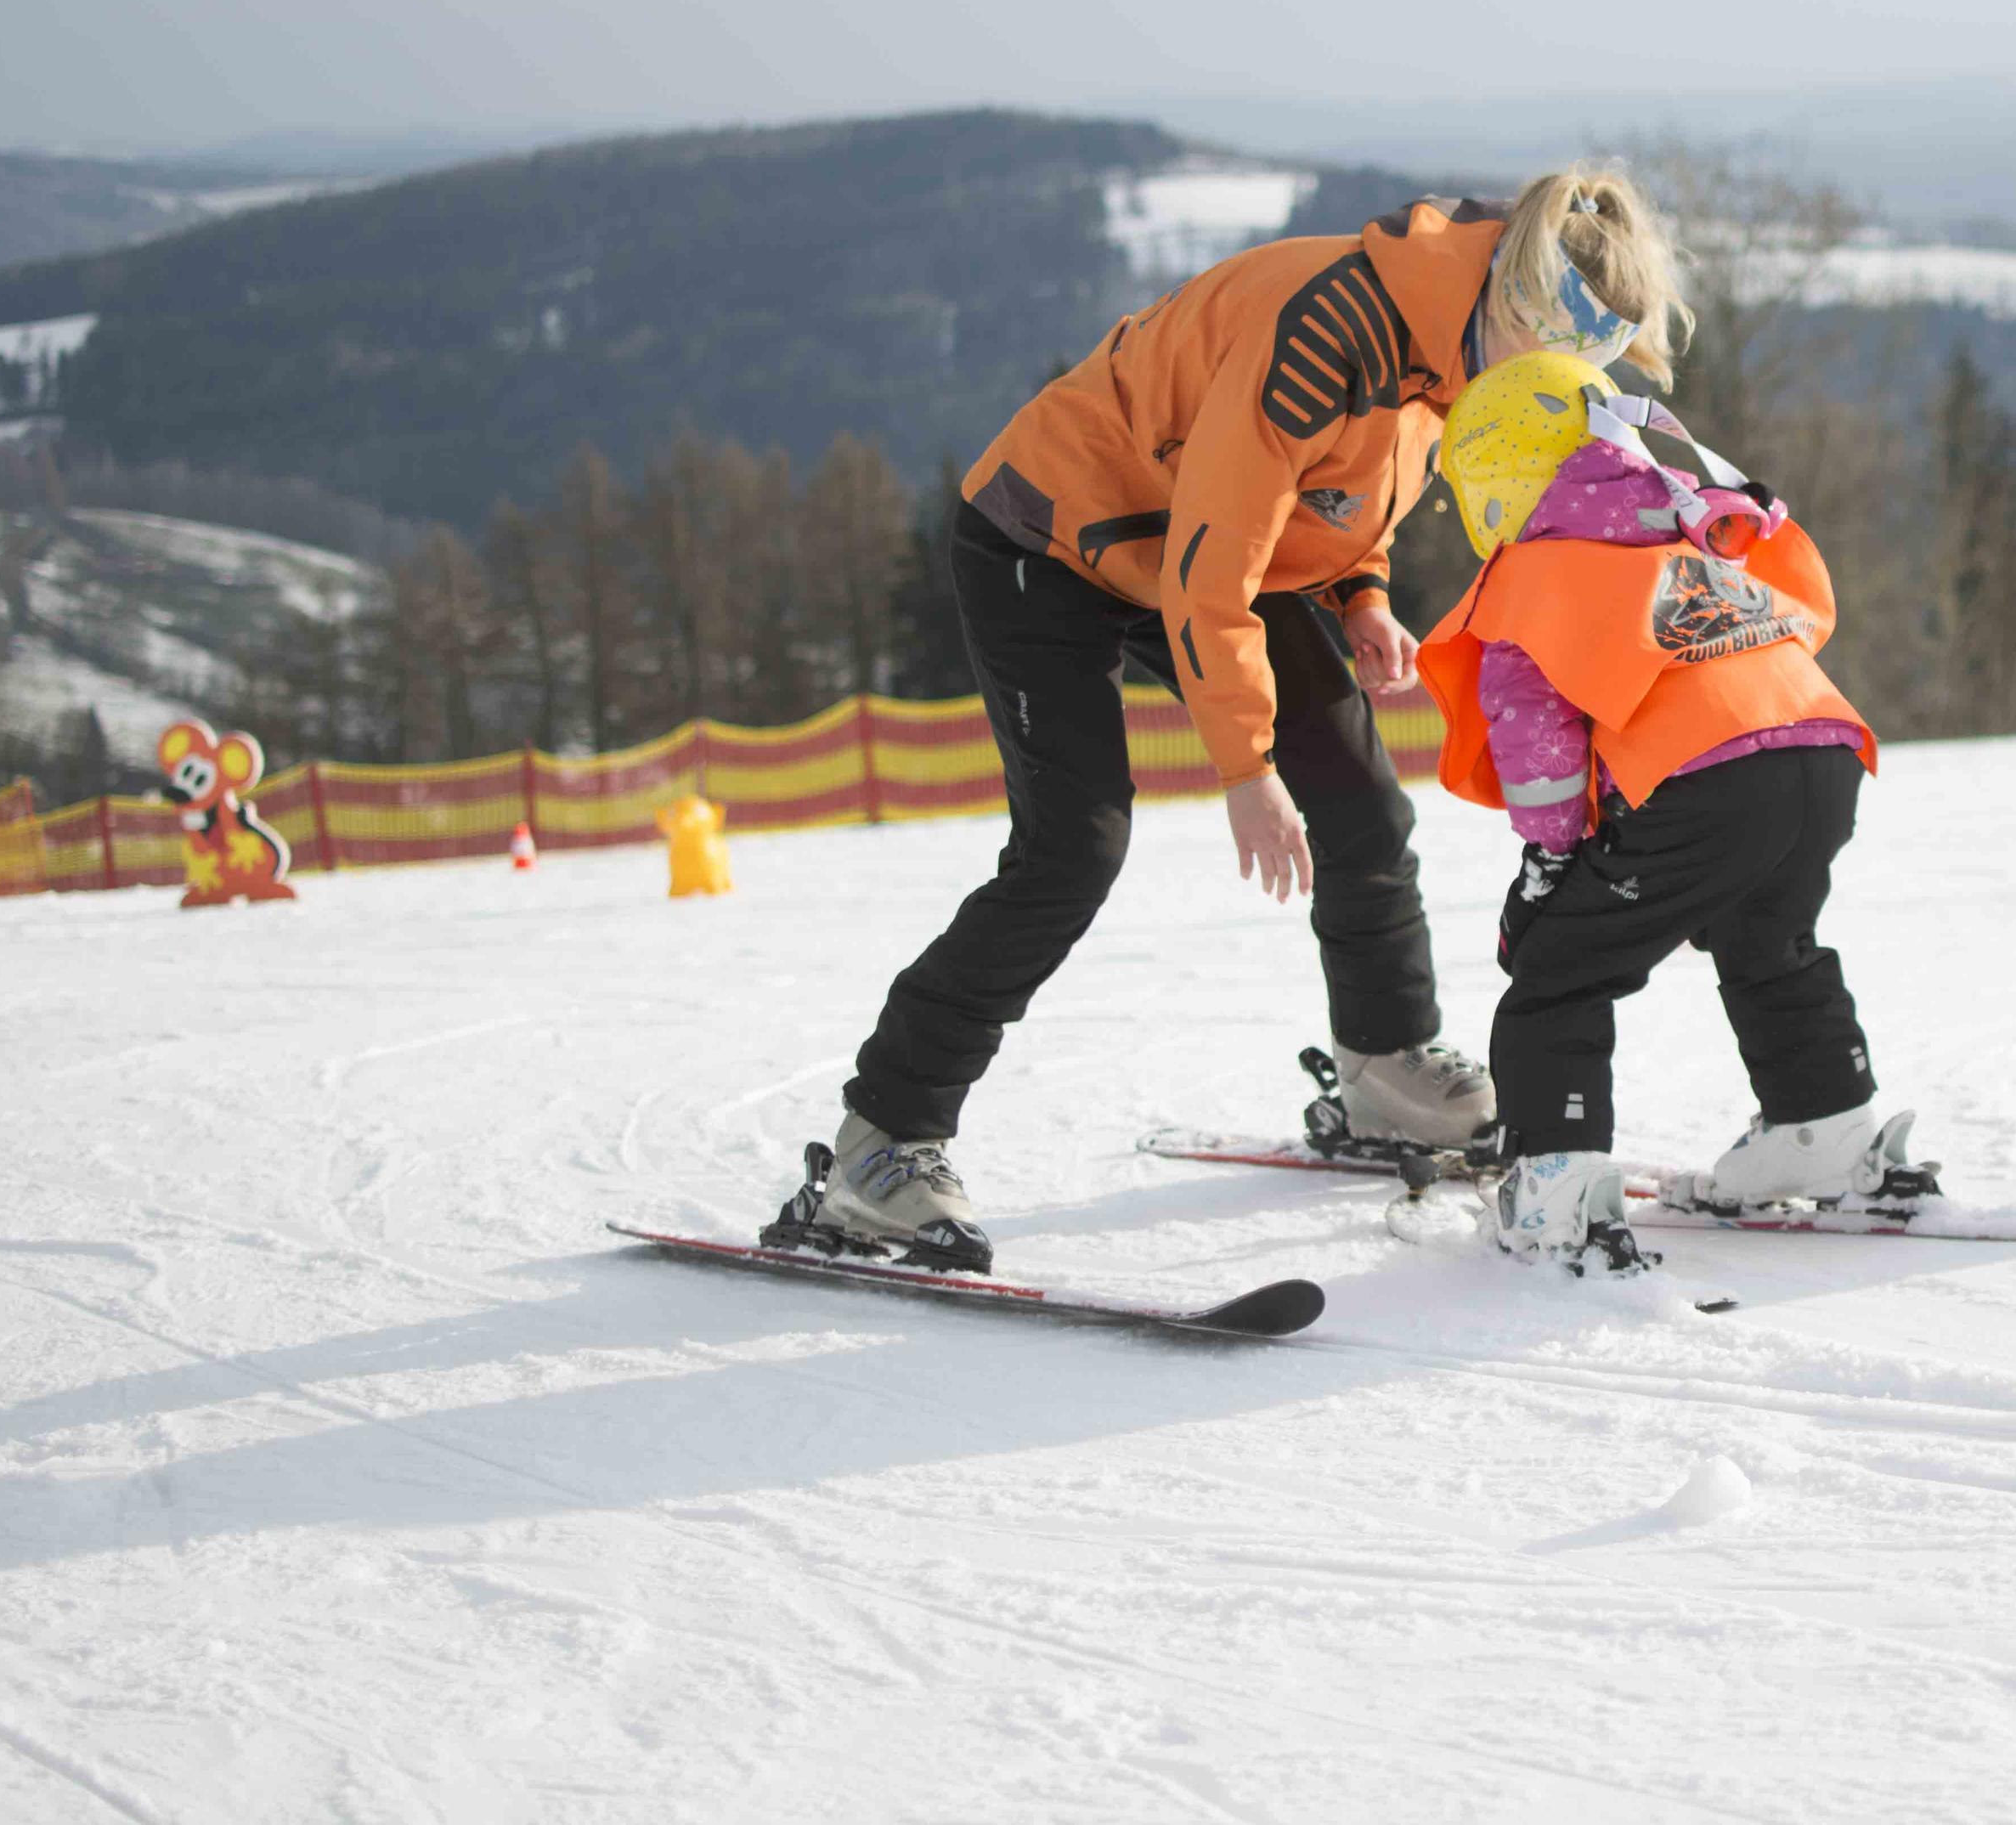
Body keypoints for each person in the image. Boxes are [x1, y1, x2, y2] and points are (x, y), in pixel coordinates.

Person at [792, 171, 1691, 1270]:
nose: (1559, 385)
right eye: (1558, 359)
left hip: (1211, 551)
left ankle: (1386, 1071)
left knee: (1364, 799)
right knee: (1071, 848)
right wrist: (1244, 763)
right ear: (1518, 308)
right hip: (1056, 536)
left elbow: (1351, 487)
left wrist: (1360, 594)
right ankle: (882, 1141)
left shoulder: (1458, 337)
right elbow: (1214, 559)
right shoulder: (1333, 328)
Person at [1415, 353, 1913, 1275]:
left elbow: (1540, 742)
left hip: (1710, 782)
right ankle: (1825, 1130)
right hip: (1823, 748)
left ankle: (1550, 1191)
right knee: (1770, 941)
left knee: (1560, 969)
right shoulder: (1683, 522)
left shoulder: (1537, 569)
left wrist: (1552, 863)